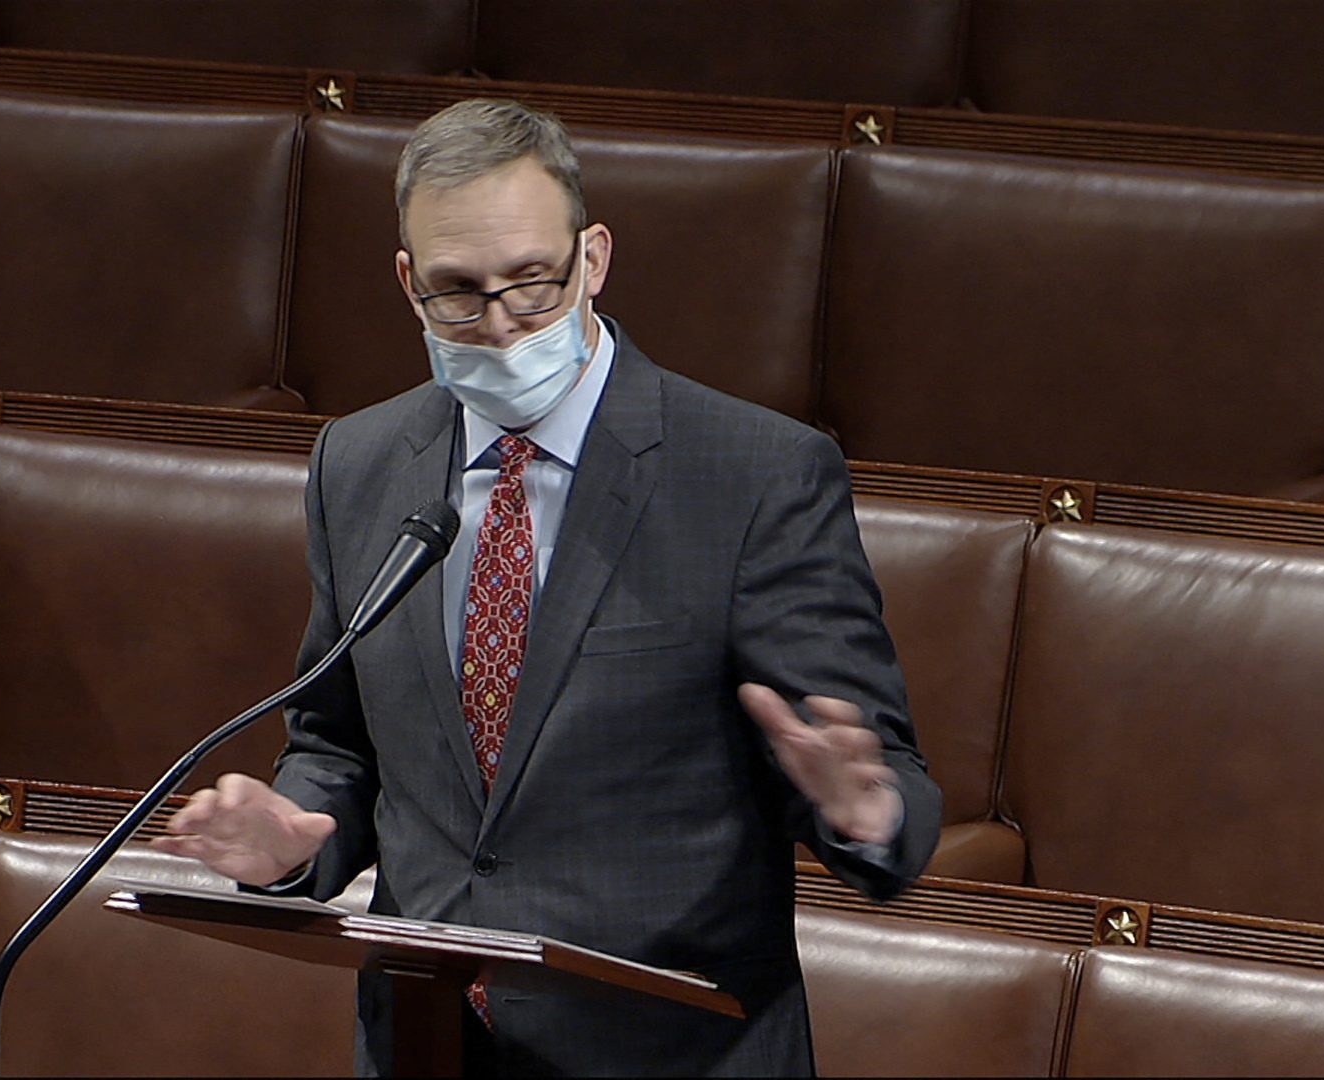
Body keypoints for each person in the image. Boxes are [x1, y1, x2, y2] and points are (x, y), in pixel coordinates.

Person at [155, 98, 940, 1076]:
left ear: (594, 258)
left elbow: (889, 783)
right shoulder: (359, 465)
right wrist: (290, 843)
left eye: (532, 284)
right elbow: (337, 743)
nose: (498, 325)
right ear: (408, 282)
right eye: (457, 293)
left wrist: (862, 814)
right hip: (431, 1044)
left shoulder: (752, 475)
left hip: (673, 1054)